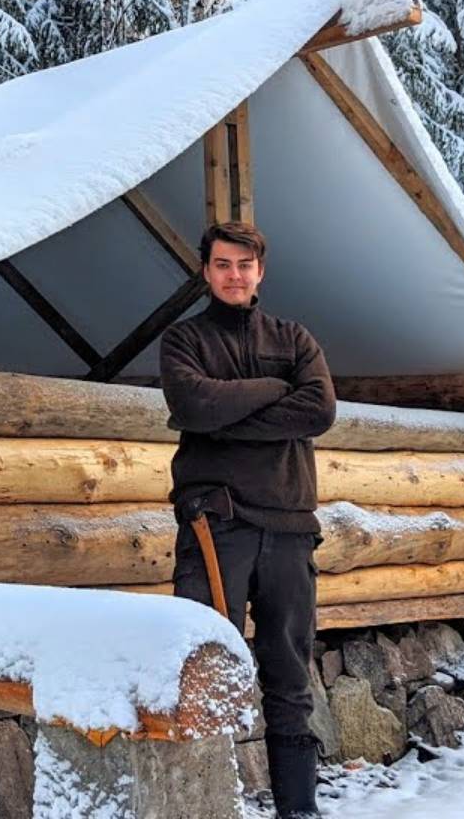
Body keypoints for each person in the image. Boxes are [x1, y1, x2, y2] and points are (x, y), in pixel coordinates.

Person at [159, 220, 336, 819]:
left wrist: (225, 418)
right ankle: (205, 805)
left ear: (261, 271)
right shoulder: (185, 342)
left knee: (289, 674)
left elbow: (318, 409)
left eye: (244, 265)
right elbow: (192, 405)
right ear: (206, 272)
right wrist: (271, 390)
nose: (234, 275)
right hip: (216, 529)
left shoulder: (294, 337)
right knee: (202, 669)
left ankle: (299, 809)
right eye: (222, 265)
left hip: (288, 528)